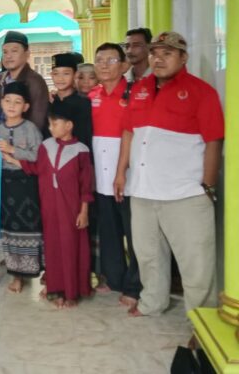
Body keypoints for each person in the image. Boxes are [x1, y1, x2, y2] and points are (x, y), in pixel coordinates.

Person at [114, 32, 224, 317]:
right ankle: (153, 302)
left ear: (183, 57)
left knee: (196, 262)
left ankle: (202, 320)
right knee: (148, 254)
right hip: (142, 190)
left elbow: (214, 140)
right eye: (154, 53)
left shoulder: (201, 92)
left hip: (185, 193)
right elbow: (128, 132)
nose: (158, 59)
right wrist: (121, 173)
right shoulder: (140, 88)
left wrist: (208, 185)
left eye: (167, 53)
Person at [5, 102, 93, 308]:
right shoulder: (46, 146)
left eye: (55, 124)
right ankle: (55, 288)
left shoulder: (81, 151)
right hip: (49, 208)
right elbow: (37, 168)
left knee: (70, 248)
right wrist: (12, 159)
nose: (50, 128)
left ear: (69, 125)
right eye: (50, 124)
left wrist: (84, 211)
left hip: (71, 210)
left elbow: (86, 186)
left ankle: (71, 292)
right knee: (52, 248)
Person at [89, 43, 141, 307]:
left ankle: (135, 286)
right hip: (101, 178)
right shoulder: (92, 95)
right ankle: (115, 278)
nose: (103, 65)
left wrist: (122, 172)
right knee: (109, 233)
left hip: (129, 178)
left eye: (110, 60)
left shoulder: (135, 94)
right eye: (99, 60)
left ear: (124, 66)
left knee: (135, 235)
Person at [0, 82, 43, 293]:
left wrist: (13, 150)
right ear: (1, 103)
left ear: (26, 106)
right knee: (9, 230)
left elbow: (39, 157)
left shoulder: (31, 129)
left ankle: (29, 272)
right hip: (4, 184)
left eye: (17, 102)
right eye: (8, 101)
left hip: (26, 186)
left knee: (27, 229)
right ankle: (16, 275)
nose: (12, 105)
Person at [0, 31, 50, 134]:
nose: (8, 56)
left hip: (25, 139)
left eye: (14, 51)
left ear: (27, 54)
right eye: (5, 52)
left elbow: (37, 120)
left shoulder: (35, 81)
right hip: (1, 136)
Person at [51, 53, 93, 153]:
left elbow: (85, 139)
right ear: (51, 75)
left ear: (75, 75)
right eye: (56, 74)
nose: (60, 78)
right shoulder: (50, 102)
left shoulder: (83, 104)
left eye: (66, 73)